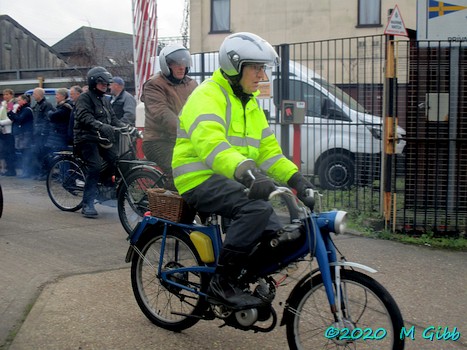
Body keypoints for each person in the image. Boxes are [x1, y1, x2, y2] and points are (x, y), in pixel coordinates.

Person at [171, 32, 314, 309]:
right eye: (256, 68)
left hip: (231, 178)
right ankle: (222, 283)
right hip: (198, 178)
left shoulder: (250, 103)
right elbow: (212, 144)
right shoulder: (207, 96)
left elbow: (269, 152)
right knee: (256, 209)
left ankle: (244, 276)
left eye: (264, 68)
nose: (262, 75)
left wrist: (296, 178)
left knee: (277, 234)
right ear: (234, 66)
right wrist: (247, 172)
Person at [74, 67, 128, 218]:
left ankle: (104, 191)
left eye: (106, 83)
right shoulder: (85, 98)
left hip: (101, 139)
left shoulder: (105, 100)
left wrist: (127, 127)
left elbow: (113, 119)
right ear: (93, 83)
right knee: (95, 166)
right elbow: (85, 117)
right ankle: (87, 204)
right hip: (86, 138)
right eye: (101, 83)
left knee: (115, 159)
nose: (105, 86)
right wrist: (101, 126)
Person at [141, 44, 197, 190]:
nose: (181, 67)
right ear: (166, 65)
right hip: (158, 141)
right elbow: (162, 113)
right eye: (176, 63)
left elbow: (203, 108)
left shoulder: (192, 84)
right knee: (178, 171)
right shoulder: (154, 84)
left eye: (184, 63)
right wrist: (186, 131)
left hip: (183, 139)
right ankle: (169, 210)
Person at [41, 88, 73, 177]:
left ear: (63, 96)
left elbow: (53, 115)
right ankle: (62, 175)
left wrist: (51, 113)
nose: (56, 97)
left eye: (57, 95)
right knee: (59, 157)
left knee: (63, 157)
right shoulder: (61, 106)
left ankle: (65, 176)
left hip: (62, 136)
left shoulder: (66, 107)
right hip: (57, 136)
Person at [7, 94, 34, 178]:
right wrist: (10, 111)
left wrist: (12, 113)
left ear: (24, 101)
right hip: (20, 134)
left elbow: (19, 120)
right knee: (22, 153)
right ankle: (24, 171)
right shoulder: (20, 109)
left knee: (26, 154)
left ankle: (27, 172)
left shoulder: (27, 110)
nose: (18, 102)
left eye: (19, 100)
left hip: (25, 134)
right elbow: (14, 118)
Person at [31, 87, 54, 179]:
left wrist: (43, 132)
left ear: (39, 95)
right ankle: (40, 172)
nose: (33, 96)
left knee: (44, 154)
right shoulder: (37, 105)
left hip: (43, 135)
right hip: (37, 134)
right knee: (38, 154)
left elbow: (47, 119)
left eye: (34, 94)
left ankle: (46, 173)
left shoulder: (46, 105)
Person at [0, 89, 17, 176]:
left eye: (7, 94)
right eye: (4, 94)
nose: (5, 96)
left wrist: (1, 122)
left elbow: (11, 118)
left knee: (10, 151)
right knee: (5, 151)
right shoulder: (3, 104)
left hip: (10, 131)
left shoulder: (11, 104)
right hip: (3, 131)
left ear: (11, 95)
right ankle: (7, 168)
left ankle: (12, 169)